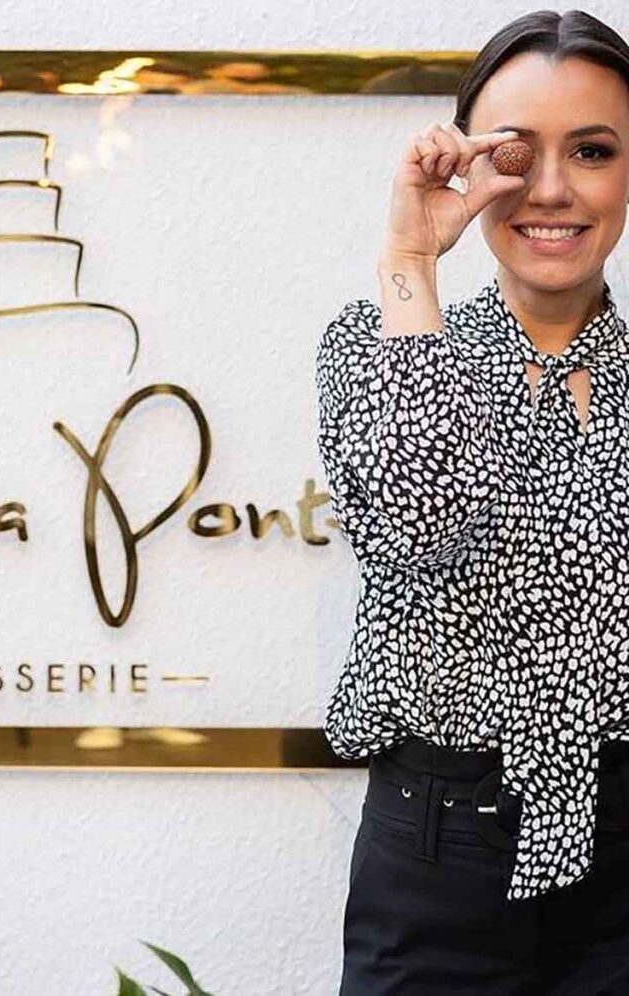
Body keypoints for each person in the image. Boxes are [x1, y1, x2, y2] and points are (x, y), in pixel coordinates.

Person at [314, 9, 629, 993]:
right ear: (466, 162)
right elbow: (417, 524)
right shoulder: (377, 342)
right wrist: (411, 260)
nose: (551, 189)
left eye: (592, 151)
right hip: (438, 858)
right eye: (515, 154)